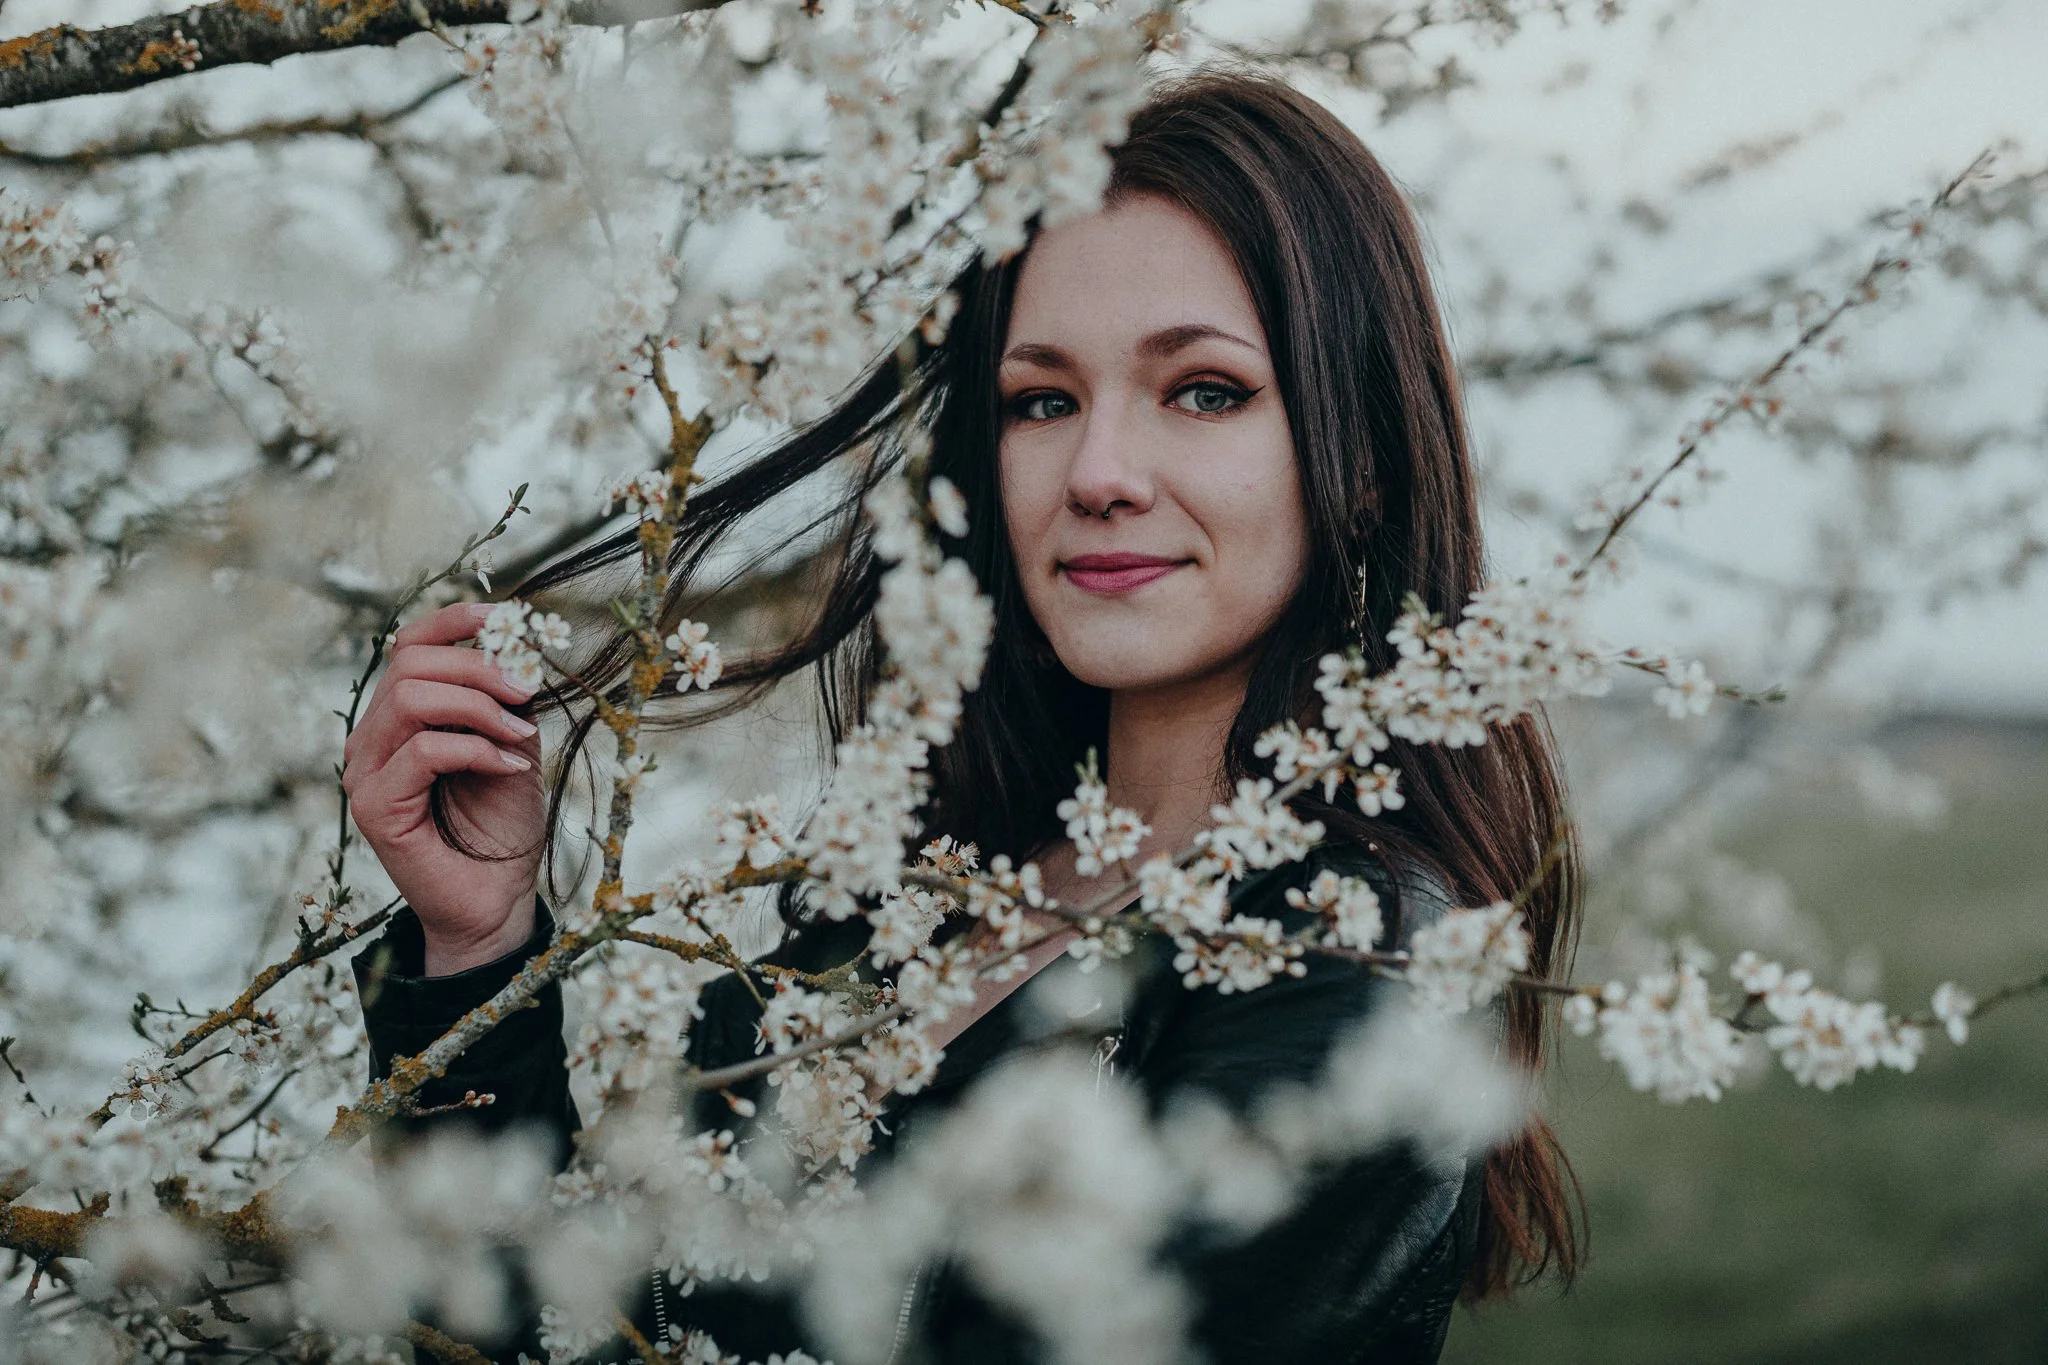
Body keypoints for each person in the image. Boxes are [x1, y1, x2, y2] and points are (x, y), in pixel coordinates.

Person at [340, 69, 1582, 1364]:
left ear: (1360, 448)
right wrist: (473, 950)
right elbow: (542, 1333)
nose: (1098, 474)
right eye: (1040, 400)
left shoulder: (1358, 968)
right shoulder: (905, 898)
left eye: (1204, 390)